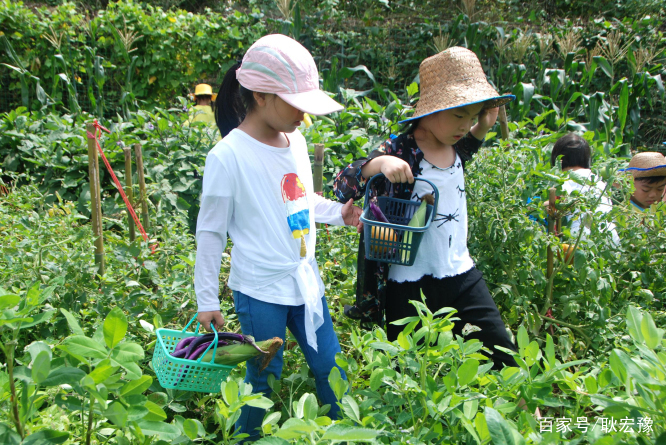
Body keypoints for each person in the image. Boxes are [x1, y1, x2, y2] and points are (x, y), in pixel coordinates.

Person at [193, 34, 362, 442]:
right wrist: (207, 301)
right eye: (297, 104)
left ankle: (337, 434)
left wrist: (339, 213)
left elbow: (302, 201)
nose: (304, 117)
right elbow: (211, 232)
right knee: (265, 374)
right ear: (261, 95)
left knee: (330, 367)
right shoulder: (228, 156)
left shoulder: (297, 142)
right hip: (259, 289)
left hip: (305, 283)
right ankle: (250, 439)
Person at [334, 46, 518, 370]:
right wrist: (379, 164)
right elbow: (343, 184)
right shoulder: (402, 148)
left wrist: (483, 126)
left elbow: (465, 149)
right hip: (408, 281)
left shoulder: (455, 145)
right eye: (459, 115)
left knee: (502, 354)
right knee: (408, 371)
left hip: (460, 272)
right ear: (430, 110)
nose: (465, 124)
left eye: (471, 116)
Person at [550, 133, 619, 245]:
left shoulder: (563, 183)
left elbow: (553, 208)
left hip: (578, 243)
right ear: (587, 160)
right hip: (611, 240)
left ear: (557, 160)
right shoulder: (599, 182)